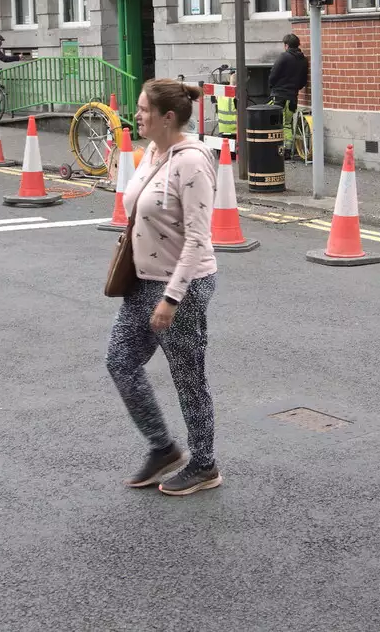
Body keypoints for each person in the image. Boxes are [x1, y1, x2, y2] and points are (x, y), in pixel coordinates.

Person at [106, 78, 222, 497]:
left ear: (167, 117)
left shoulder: (192, 161)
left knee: (188, 377)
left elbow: (197, 238)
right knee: (120, 361)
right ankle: (163, 448)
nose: (137, 115)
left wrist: (172, 298)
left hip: (181, 288)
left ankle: (205, 465)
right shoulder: (153, 152)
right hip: (141, 282)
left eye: (143, 110)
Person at [267, 33, 308, 108]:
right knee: (289, 119)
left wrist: (272, 86)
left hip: (279, 95)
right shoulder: (304, 60)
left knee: (276, 118)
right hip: (293, 96)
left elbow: (273, 75)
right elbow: (303, 80)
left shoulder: (284, 57)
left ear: (286, 45)